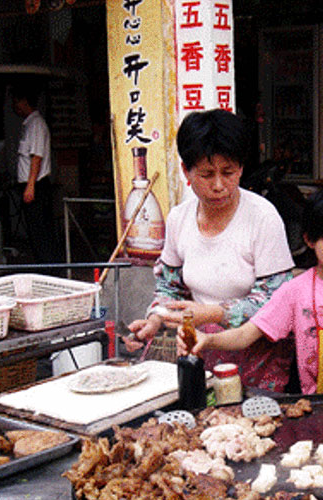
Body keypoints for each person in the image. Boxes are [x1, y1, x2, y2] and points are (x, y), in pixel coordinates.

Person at [177, 185, 323, 394]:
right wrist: (207, 339)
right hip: (320, 404)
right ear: (309, 240)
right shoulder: (295, 291)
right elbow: (245, 335)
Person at [125, 109, 296, 392]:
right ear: (186, 171)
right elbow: (169, 288)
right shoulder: (179, 218)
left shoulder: (262, 217)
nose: (219, 186)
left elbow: (275, 301)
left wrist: (213, 314)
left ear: (241, 168)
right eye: (206, 174)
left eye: (228, 173)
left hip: (257, 357)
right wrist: (156, 319)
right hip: (201, 352)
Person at [12, 82, 55, 264]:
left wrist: (30, 187)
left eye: (16, 102)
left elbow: (36, 157)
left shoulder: (36, 124)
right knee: (35, 232)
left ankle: (49, 270)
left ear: (24, 102)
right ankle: (44, 266)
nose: (14, 107)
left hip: (36, 186)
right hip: (31, 185)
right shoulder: (29, 125)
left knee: (41, 233)